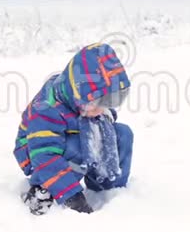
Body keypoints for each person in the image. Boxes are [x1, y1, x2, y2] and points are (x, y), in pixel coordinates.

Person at [13, 42, 134, 215]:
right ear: (78, 93)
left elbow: (104, 113)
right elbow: (44, 154)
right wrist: (73, 197)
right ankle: (43, 189)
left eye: (107, 102)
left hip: (73, 133)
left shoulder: (87, 103)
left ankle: (109, 188)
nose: (101, 109)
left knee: (122, 134)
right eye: (97, 103)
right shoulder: (47, 108)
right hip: (37, 153)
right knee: (77, 146)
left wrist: (106, 118)